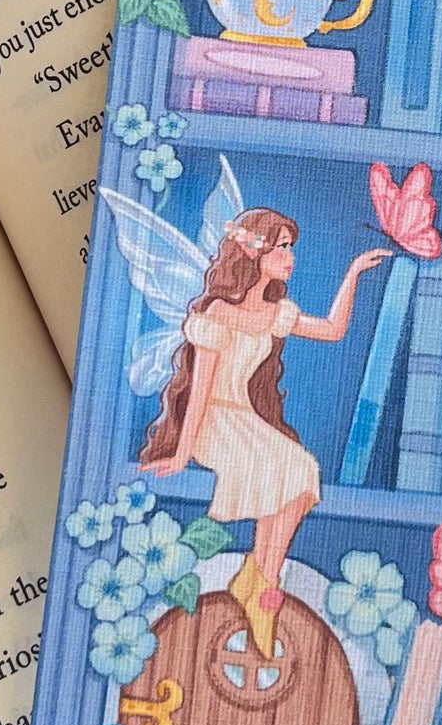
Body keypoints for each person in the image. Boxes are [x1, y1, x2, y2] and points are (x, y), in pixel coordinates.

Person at [140, 208, 391, 654]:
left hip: (244, 417)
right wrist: (182, 450)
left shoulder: (275, 313)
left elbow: (333, 330)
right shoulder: (218, 312)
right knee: (284, 465)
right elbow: (199, 391)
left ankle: (260, 579)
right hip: (214, 420)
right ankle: (262, 589)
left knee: (302, 469)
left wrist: (353, 273)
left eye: (291, 248)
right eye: (282, 247)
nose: (290, 257)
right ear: (254, 252)